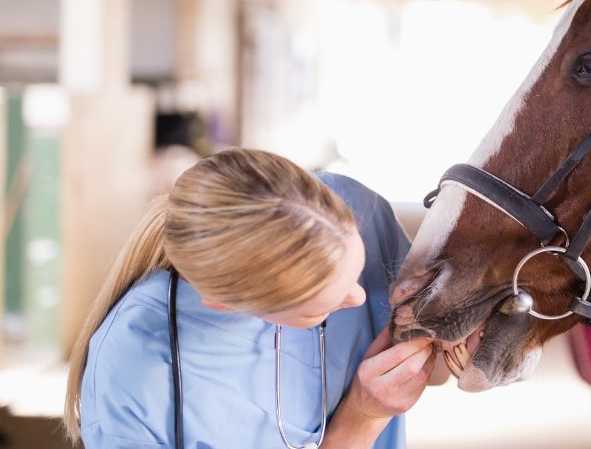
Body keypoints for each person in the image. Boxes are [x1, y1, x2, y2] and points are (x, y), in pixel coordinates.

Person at [62, 147, 434, 448]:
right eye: (317, 310)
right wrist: (361, 419)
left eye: (360, 267)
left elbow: (438, 366)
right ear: (225, 304)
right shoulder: (134, 374)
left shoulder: (355, 204)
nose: (359, 298)